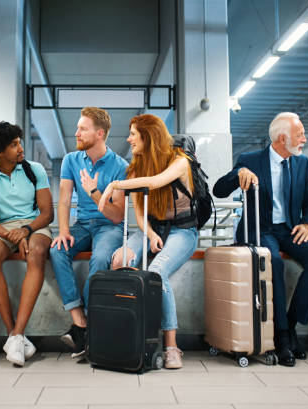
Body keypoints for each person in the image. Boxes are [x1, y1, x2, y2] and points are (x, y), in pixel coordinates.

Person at [213, 112, 308, 367]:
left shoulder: (301, 163)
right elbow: (219, 190)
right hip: (260, 229)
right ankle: (283, 337)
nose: (304, 139)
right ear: (282, 138)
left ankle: (289, 324)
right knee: (273, 263)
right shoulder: (250, 160)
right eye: (299, 135)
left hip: (290, 228)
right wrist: (238, 173)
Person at [99, 114, 199, 369]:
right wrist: (152, 234)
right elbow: (141, 216)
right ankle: (127, 336)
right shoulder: (136, 167)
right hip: (153, 229)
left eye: (133, 133)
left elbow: (155, 183)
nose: (129, 139)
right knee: (120, 259)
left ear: (148, 136)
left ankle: (171, 346)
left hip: (182, 231)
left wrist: (116, 185)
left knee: (156, 271)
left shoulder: (181, 161)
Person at [0, 121, 54, 367]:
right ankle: (14, 334)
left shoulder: (34, 170)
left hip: (33, 225)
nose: (21, 148)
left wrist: (26, 231)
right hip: (0, 228)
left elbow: (47, 213)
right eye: (14, 145)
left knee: (37, 252)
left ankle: (17, 333)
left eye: (19, 142)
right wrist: (12, 236)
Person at [49, 107, 128, 358]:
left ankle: (87, 326)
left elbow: (117, 215)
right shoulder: (71, 160)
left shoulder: (120, 166)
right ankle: (80, 321)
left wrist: (95, 193)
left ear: (100, 133)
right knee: (57, 249)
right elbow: (63, 200)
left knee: (101, 258)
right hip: (82, 225)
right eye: (78, 128)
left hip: (109, 226)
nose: (77, 133)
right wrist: (62, 230)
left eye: (83, 129)